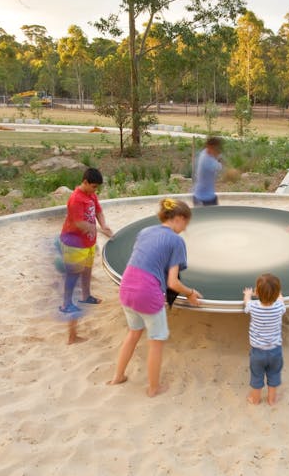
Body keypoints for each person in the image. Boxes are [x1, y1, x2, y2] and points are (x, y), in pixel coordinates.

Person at [108, 198, 202, 397]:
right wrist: (191, 293)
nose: (184, 229)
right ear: (178, 219)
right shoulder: (176, 241)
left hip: (126, 287)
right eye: (185, 223)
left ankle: (118, 376)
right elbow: (173, 283)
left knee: (133, 333)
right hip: (147, 291)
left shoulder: (145, 232)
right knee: (156, 340)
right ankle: (153, 388)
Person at [58, 168, 114, 319]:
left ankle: (86, 296)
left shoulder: (91, 195)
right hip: (73, 242)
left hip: (88, 242)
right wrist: (99, 230)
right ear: (85, 182)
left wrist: (103, 225)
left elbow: (98, 212)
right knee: (73, 273)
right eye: (94, 186)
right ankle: (66, 304)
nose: (95, 190)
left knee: (87, 269)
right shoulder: (76, 199)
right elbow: (79, 223)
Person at [243, 273, 286, 406]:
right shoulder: (279, 307)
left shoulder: (253, 306)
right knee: (274, 375)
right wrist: (278, 293)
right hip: (275, 351)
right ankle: (271, 400)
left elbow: (246, 303)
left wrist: (248, 294)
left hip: (258, 352)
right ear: (277, 293)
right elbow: (281, 299)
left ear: (257, 292)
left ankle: (255, 400)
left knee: (257, 376)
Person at [193, 136, 223, 206]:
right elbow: (221, 168)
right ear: (210, 147)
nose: (218, 151)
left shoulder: (204, 153)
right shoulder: (208, 161)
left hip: (208, 196)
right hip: (203, 199)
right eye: (216, 148)